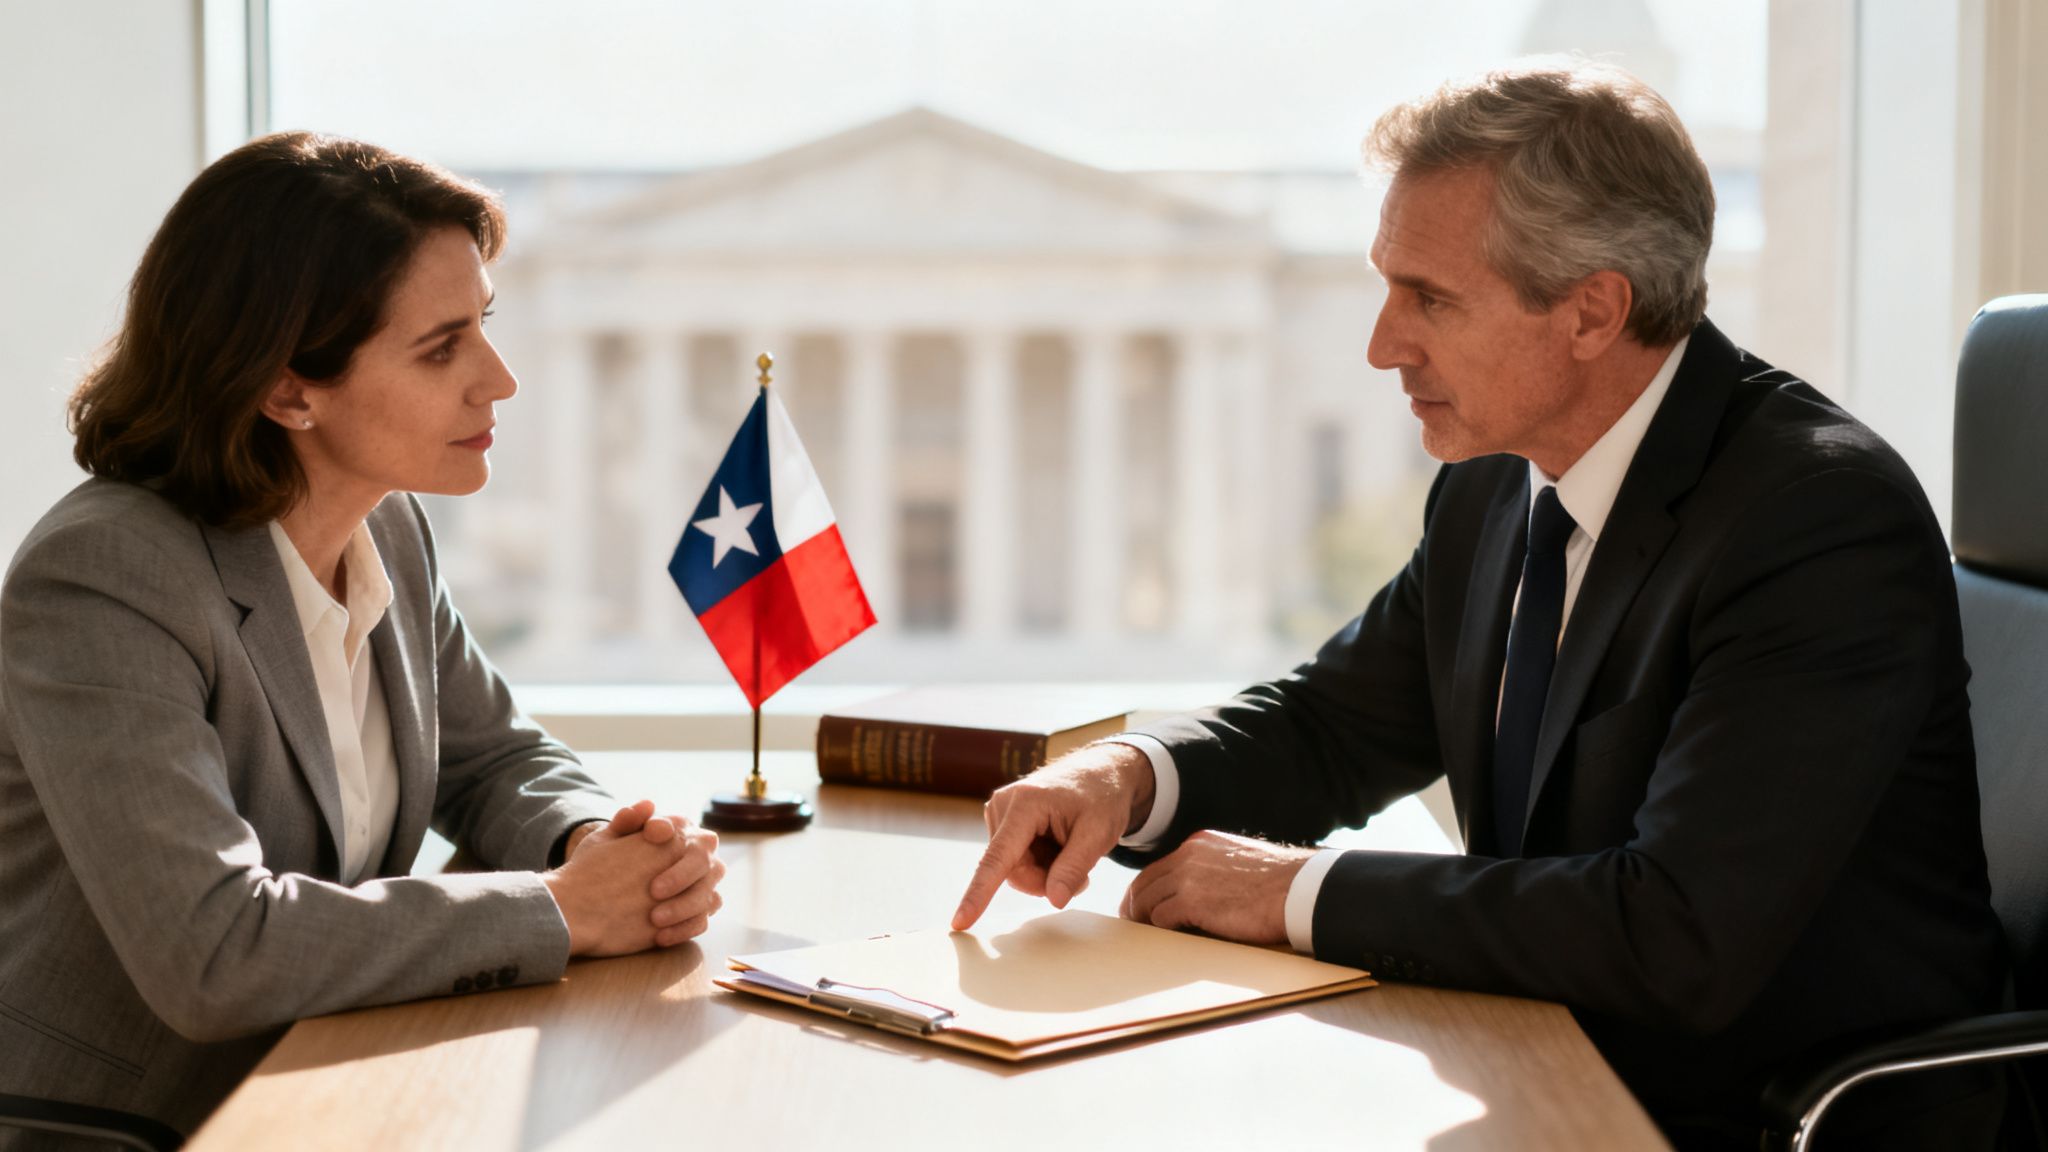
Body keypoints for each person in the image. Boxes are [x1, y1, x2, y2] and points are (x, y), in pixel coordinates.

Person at [952, 63, 2005, 1150]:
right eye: (1384, 284)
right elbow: (1337, 725)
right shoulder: (1496, 478)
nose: (1380, 344)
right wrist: (1128, 775)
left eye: (1430, 300)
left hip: (1768, 1115)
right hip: (1543, 1059)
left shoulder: (1815, 520)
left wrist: (1291, 892)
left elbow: (1675, 933)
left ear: (1593, 310)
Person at [0, 133, 726, 1141]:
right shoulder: (103, 581)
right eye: (441, 348)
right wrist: (563, 909)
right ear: (289, 390)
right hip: (140, 1126)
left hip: (331, 1075)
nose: (499, 378)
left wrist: (594, 842)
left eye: (483, 324)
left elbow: (496, 757)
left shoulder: (382, 522)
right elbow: (213, 950)